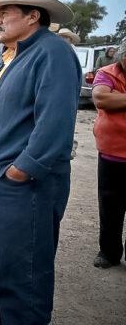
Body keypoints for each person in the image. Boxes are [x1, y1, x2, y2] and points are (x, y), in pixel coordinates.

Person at [0, 0, 80, 324]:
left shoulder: (53, 52)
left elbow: (55, 121)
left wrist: (23, 168)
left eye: (5, 12)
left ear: (34, 16)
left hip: (21, 183)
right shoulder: (13, 55)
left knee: (24, 271)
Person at [91, 40, 126, 269]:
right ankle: (109, 252)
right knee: (110, 205)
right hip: (112, 153)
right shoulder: (106, 72)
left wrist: (119, 99)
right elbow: (102, 98)